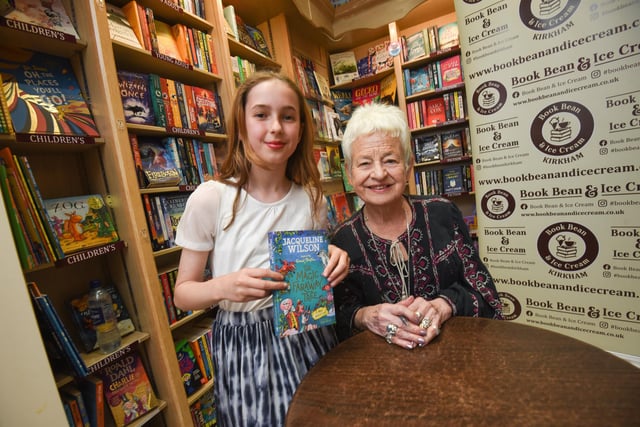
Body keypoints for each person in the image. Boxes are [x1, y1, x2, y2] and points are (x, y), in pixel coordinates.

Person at [173, 71, 350, 426]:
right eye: (261, 115)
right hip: (243, 341)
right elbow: (182, 293)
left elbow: (310, 268)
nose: (276, 128)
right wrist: (223, 286)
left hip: (307, 330)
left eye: (288, 116)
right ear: (241, 126)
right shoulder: (211, 198)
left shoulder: (312, 198)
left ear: (300, 129)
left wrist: (333, 258)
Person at [331, 102, 502, 349]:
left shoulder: (443, 214)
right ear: (349, 174)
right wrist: (365, 316)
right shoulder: (341, 241)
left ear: (408, 166)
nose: (378, 174)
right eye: (365, 163)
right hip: (377, 374)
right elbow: (336, 317)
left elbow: (486, 293)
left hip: (458, 358)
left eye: (390, 160)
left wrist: (443, 305)